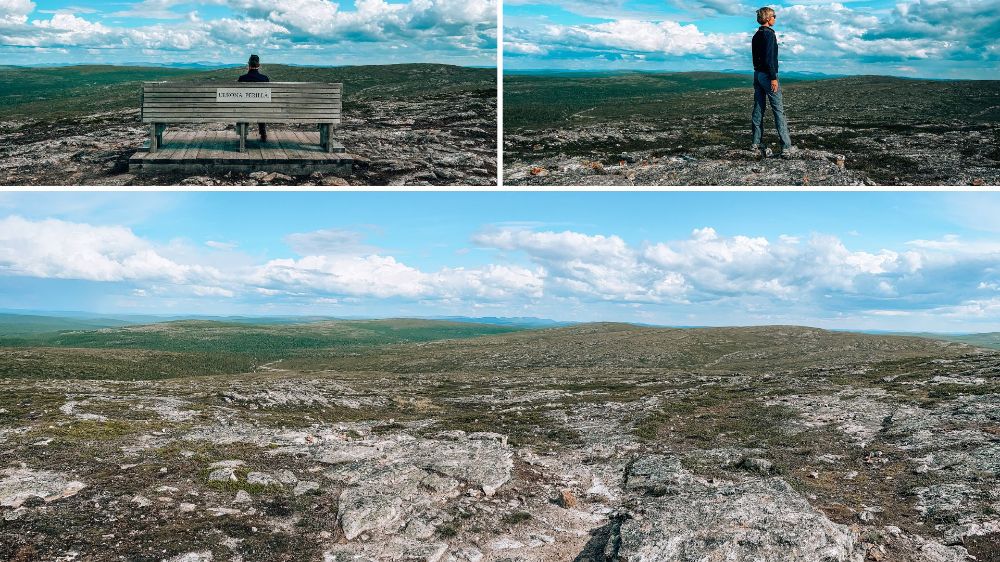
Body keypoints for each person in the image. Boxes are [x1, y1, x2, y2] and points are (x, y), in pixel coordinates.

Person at [751, 7, 795, 159]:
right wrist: (773, 78)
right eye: (774, 16)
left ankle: (756, 143)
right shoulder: (769, 35)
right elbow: (769, 58)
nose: (775, 18)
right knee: (778, 111)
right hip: (768, 75)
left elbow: (757, 58)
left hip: (757, 74)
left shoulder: (756, 35)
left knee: (758, 108)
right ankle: (786, 147)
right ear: (768, 18)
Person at [238, 54, 269, 143]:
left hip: (245, 110)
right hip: (261, 110)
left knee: (244, 108)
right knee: (261, 107)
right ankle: (263, 134)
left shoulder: (242, 78)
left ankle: (243, 135)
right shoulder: (265, 79)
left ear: (248, 64)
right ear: (258, 65)